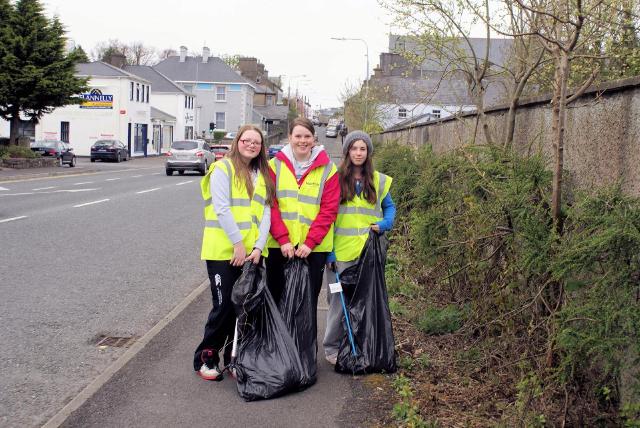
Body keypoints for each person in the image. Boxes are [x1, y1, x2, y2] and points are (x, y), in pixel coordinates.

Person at [193, 124, 275, 381]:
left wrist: (259, 247)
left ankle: (234, 358)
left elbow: (266, 214)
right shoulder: (223, 169)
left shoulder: (262, 174)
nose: (251, 145)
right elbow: (222, 208)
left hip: (250, 253)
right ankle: (205, 358)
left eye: (257, 142)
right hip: (223, 251)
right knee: (224, 306)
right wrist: (239, 245)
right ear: (237, 142)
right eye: (246, 140)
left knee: (245, 309)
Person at [323, 130, 396, 365]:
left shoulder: (378, 180)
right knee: (337, 302)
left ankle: (358, 343)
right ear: (347, 151)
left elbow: (390, 208)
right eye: (354, 148)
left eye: (362, 149)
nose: (358, 153)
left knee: (364, 300)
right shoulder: (335, 179)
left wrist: (383, 224)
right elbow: (326, 215)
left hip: (367, 255)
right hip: (340, 255)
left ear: (368, 152)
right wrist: (330, 252)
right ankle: (332, 348)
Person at [266, 116, 340, 335]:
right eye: (298, 136)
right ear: (289, 137)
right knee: (276, 299)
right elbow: (271, 205)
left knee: (306, 304)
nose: (302, 140)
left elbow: (329, 210)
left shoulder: (328, 169)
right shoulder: (274, 166)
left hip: (313, 249)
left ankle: (302, 356)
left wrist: (310, 242)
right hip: (280, 247)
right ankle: (277, 354)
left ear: (314, 139)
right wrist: (283, 240)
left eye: (307, 136)